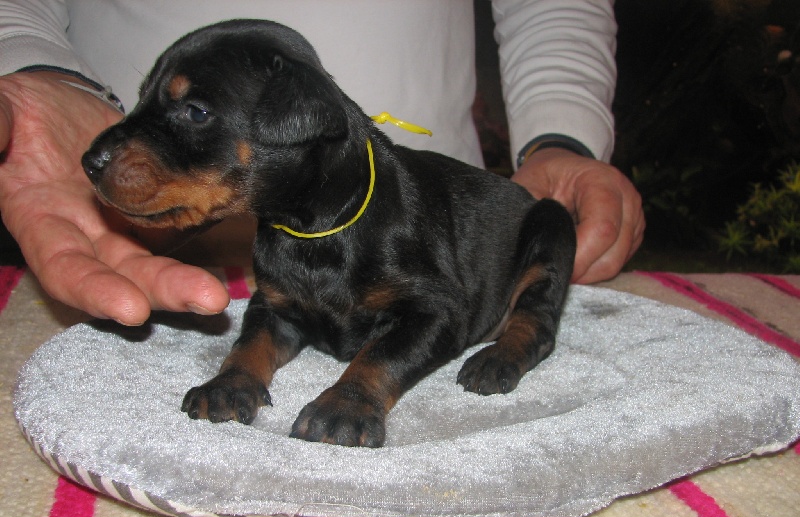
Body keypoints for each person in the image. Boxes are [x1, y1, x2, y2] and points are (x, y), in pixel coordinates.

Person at [0, 0, 644, 326]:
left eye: (191, 110)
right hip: (110, 234)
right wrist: (32, 62)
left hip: (436, 217)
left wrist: (561, 131)